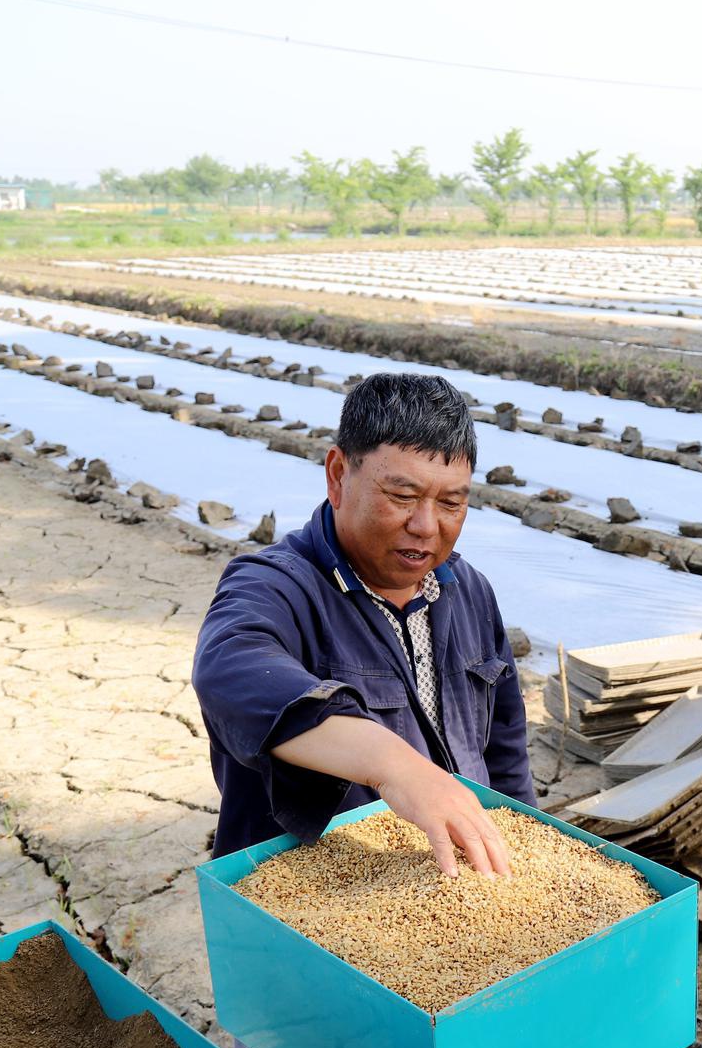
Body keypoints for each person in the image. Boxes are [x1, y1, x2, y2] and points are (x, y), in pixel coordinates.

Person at [192, 373, 531, 875]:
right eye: (402, 496)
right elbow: (230, 670)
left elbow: (505, 751)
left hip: (461, 887)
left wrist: (524, 842)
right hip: (322, 899)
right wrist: (397, 768)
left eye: (451, 503)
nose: (426, 525)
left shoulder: (469, 590)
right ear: (337, 475)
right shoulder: (274, 586)